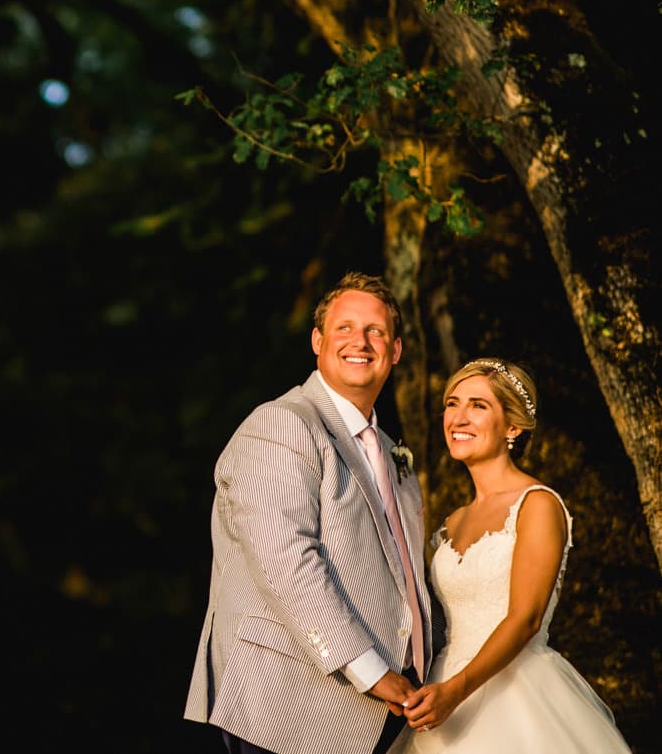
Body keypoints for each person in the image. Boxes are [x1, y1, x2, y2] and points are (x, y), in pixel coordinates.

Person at [185, 271, 433, 754]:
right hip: (290, 705)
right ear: (317, 340)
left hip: (386, 713)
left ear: (396, 350)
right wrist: (374, 673)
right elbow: (287, 561)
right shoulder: (283, 423)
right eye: (344, 328)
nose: (360, 341)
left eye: (376, 331)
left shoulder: (388, 451)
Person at [388, 358, 633, 753]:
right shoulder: (453, 521)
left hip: (513, 692)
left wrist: (456, 691)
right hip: (441, 689)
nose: (458, 417)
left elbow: (526, 618)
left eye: (478, 406)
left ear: (513, 427)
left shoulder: (536, 505)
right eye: (452, 403)